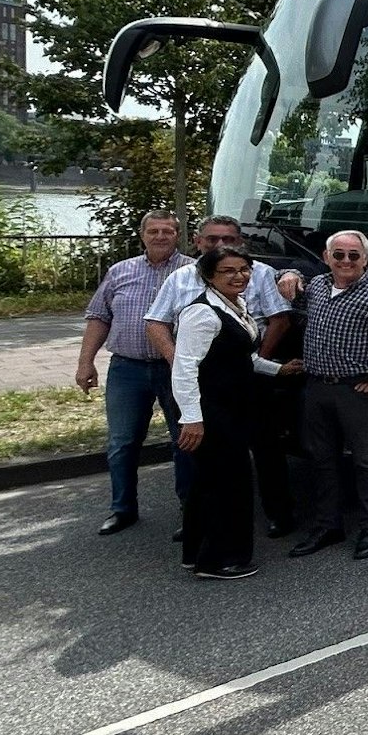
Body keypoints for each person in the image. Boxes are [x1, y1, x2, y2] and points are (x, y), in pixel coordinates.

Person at [145, 215, 297, 538]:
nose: (220, 245)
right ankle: (202, 525)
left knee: (266, 447)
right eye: (212, 239)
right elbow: (156, 322)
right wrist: (178, 361)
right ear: (198, 242)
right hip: (204, 386)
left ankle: (277, 515)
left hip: (251, 379)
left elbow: (280, 319)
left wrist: (255, 362)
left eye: (228, 239)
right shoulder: (181, 278)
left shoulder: (258, 273)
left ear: (239, 242)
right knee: (204, 456)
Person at [288, 230, 368, 561]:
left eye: (354, 255)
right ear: (326, 257)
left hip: (355, 391)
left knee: (366, 461)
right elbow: (293, 291)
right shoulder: (318, 286)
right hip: (317, 387)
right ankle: (328, 526)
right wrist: (287, 274)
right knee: (322, 459)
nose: (346, 261)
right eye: (339, 255)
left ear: (365, 260)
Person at [171, 246, 301, 580]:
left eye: (243, 269)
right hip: (213, 412)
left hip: (234, 408)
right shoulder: (202, 313)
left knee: (209, 482)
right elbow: (184, 368)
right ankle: (220, 561)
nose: (238, 276)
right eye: (228, 271)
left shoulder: (236, 306)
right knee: (228, 484)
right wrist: (192, 418)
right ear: (208, 275)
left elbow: (243, 358)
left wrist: (279, 369)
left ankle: (196, 553)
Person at [76, 209, 189, 536]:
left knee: (185, 440)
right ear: (142, 235)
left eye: (167, 231)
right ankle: (122, 509)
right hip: (127, 369)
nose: (160, 236)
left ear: (177, 235)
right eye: (153, 231)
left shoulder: (192, 271)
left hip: (175, 369)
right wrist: (85, 362)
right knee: (122, 442)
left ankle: (191, 509)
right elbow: (99, 317)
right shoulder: (120, 271)